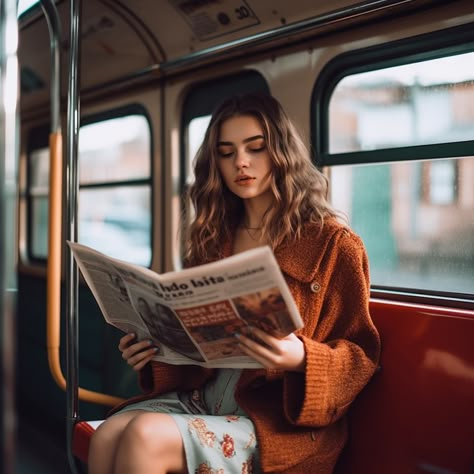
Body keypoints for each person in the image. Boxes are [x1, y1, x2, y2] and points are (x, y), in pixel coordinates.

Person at [88, 93, 381, 474]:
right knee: (110, 433)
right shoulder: (212, 240)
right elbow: (196, 347)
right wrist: (152, 349)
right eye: (226, 153)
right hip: (205, 396)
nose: (241, 162)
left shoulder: (334, 244)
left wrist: (301, 358)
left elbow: (362, 356)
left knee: (144, 434)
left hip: (275, 421)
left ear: (281, 153)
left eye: (256, 148)